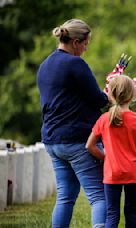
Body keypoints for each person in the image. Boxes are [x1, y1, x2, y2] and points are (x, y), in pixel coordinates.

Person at [36, 19, 108, 227]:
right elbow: (98, 99)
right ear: (76, 42)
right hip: (77, 140)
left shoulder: (45, 64)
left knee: (65, 196)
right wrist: (110, 94)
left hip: (52, 140)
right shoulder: (75, 64)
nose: (86, 49)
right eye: (86, 44)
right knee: (99, 196)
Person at [86, 75, 136, 228]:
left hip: (111, 173)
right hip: (132, 173)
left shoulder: (104, 119)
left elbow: (89, 145)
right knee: (130, 211)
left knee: (112, 213)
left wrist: (105, 157)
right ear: (133, 95)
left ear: (111, 95)